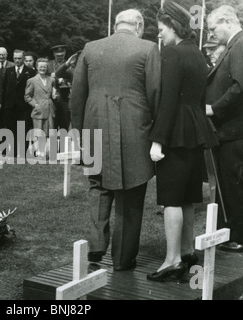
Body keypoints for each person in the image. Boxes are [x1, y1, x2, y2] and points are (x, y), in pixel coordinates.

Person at [70, 9, 161, 271]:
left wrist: (81, 130)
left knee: (98, 186)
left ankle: (96, 246)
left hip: (94, 127)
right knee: (131, 192)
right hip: (135, 130)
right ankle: (122, 258)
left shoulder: (90, 47)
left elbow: (77, 96)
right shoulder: (148, 48)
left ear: (116, 24)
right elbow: (155, 94)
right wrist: (156, 133)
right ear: (139, 25)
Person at [147, 1, 218, 282]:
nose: (159, 35)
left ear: (174, 26)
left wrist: (157, 141)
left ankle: (172, 260)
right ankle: (187, 251)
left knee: (171, 198)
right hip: (195, 131)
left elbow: (167, 102)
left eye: (162, 29)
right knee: (188, 196)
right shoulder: (198, 54)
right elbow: (199, 99)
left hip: (175, 134)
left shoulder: (172, 55)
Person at [206, 5, 243, 252]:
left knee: (239, 183)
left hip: (237, 130)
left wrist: (215, 108)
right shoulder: (237, 44)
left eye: (214, 29)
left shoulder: (242, 44)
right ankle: (237, 231)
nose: (213, 35)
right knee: (235, 183)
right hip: (234, 130)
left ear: (227, 21)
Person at [2, 49, 36, 157]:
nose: (17, 60)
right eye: (15, 58)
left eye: (19, 58)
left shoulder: (30, 71)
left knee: (23, 129)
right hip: (10, 105)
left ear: (23, 58)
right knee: (11, 128)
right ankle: (11, 151)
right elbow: (4, 87)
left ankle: (22, 151)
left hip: (24, 105)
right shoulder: (9, 71)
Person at [25, 58, 56, 158]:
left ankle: (47, 152)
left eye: (45, 67)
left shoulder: (51, 80)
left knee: (49, 132)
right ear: (37, 67)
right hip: (39, 111)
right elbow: (27, 96)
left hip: (50, 110)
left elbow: (54, 93)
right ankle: (39, 152)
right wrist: (35, 105)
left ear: (47, 68)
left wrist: (56, 96)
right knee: (39, 132)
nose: (42, 68)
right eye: (41, 66)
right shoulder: (32, 81)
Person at [48, 45, 71, 130]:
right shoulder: (49, 64)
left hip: (64, 98)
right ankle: (52, 143)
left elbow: (72, 79)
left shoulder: (69, 65)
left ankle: (63, 142)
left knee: (64, 124)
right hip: (51, 98)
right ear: (54, 54)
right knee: (52, 125)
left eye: (62, 55)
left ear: (65, 54)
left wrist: (64, 81)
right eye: (58, 55)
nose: (60, 57)